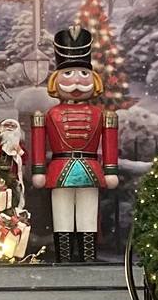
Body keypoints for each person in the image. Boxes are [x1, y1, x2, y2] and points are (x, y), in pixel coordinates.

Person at [29, 26, 118, 264]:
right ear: (55, 80)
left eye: (83, 73)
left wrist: (110, 170)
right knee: (62, 217)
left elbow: (110, 142)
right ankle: (64, 257)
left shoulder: (101, 115)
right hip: (60, 169)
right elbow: (39, 143)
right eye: (68, 73)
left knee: (88, 216)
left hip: (90, 169)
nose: (77, 80)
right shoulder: (48, 114)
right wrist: (38, 170)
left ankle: (88, 257)